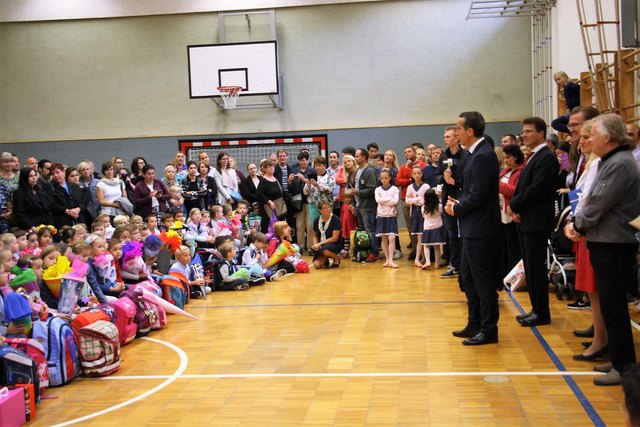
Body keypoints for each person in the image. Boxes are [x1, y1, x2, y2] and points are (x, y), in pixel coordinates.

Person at [567, 114, 640, 386]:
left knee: (615, 306)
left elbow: (598, 202)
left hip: (613, 243)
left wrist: (578, 223)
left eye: (593, 134)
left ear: (608, 137)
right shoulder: (612, 161)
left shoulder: (620, 164)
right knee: (611, 306)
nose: (588, 140)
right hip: (604, 240)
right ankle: (620, 360)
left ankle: (624, 368)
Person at [445, 111, 501, 346]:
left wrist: (457, 209)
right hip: (471, 227)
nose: (456, 133)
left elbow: (477, 195)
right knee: (467, 277)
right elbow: (470, 190)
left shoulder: (482, 156)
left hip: (480, 228)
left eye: (459, 128)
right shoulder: (473, 154)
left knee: (482, 280)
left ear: (469, 131)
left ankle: (489, 329)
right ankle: (475, 321)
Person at [508, 117, 560, 327]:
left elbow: (536, 189)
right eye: (524, 131)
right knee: (530, 266)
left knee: (536, 267)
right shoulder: (533, 157)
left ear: (541, 133)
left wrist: (515, 205)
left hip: (537, 219)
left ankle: (541, 312)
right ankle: (536, 308)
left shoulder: (546, 157)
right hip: (528, 218)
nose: (524, 134)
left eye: (529, 131)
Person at [564, 120, 608, 362]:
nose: (581, 142)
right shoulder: (589, 163)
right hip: (583, 229)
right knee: (592, 290)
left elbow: (592, 200)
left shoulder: (600, 165)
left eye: (586, 137)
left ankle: (602, 340)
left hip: (592, 230)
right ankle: (599, 334)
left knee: (597, 289)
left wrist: (577, 222)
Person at [438, 126, 468, 279]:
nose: (445, 139)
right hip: (447, 200)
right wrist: (444, 177)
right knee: (451, 234)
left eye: (448, 136)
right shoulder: (443, 156)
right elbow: (437, 177)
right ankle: (454, 265)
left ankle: (465, 265)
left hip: (462, 199)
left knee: (464, 234)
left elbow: (470, 179)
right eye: (444, 137)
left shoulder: (466, 156)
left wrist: (456, 181)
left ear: (457, 138)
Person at [498, 144, 525, 280]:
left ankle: (512, 276)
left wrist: (498, 185)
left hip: (512, 213)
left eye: (508, 157)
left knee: (513, 248)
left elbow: (515, 191)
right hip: (501, 211)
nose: (506, 160)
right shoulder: (505, 171)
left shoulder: (521, 171)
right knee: (503, 246)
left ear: (515, 157)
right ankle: (503, 274)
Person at [396, 146, 426, 260]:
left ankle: (427, 250)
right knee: (411, 227)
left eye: (409, 151)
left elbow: (420, 179)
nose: (407, 154)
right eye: (405, 152)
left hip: (420, 202)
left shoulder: (422, 166)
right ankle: (415, 250)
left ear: (415, 153)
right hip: (406, 200)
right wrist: (408, 180)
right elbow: (398, 181)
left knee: (423, 226)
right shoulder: (403, 167)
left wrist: (408, 179)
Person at [350, 148, 379, 263]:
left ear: (364, 157)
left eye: (357, 156)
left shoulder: (369, 171)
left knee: (370, 230)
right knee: (363, 231)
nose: (355, 158)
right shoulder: (358, 170)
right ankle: (364, 252)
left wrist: (357, 193)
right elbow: (355, 187)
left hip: (367, 206)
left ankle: (374, 254)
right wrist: (354, 203)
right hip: (359, 205)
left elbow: (371, 189)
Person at [304, 156, 335, 235]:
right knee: (315, 226)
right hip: (313, 205)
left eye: (319, 165)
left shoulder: (330, 177)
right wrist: (308, 186)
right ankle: (317, 244)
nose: (317, 167)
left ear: (324, 166)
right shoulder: (312, 177)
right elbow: (305, 192)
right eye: (316, 165)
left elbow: (330, 189)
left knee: (327, 225)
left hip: (326, 205)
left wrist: (317, 185)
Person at [374, 170, 399, 268]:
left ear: (390, 178)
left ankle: (391, 260)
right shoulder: (378, 189)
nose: (384, 180)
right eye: (382, 178)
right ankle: (387, 259)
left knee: (392, 237)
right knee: (384, 238)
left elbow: (395, 201)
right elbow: (377, 200)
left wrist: (384, 201)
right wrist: (389, 200)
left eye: (386, 178)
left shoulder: (394, 189)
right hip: (381, 215)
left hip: (391, 216)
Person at [405, 166, 429, 267]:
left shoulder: (426, 186)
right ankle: (417, 259)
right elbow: (407, 200)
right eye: (414, 173)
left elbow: (426, 200)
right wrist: (417, 199)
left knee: (423, 237)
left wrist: (416, 200)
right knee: (420, 237)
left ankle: (422, 258)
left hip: (424, 214)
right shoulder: (410, 187)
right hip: (415, 214)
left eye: (419, 173)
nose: (417, 175)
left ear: (422, 174)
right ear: (412, 175)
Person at [48, 163, 84, 229]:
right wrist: (67, 211)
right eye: (53, 174)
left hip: (78, 220)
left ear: (64, 172)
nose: (55, 175)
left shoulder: (75, 186)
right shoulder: (50, 188)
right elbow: (52, 205)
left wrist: (78, 209)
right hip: (62, 221)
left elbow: (82, 201)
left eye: (57, 172)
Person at [310, 201, 343, 269]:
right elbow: (315, 235)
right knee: (317, 265)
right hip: (322, 246)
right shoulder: (316, 220)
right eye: (325, 208)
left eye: (329, 207)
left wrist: (320, 244)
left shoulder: (335, 219)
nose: (328, 209)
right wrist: (315, 245)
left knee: (325, 249)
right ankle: (326, 259)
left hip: (335, 244)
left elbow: (335, 238)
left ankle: (336, 258)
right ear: (320, 210)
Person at [419, 189, 446, 270]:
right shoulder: (439, 207)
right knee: (436, 247)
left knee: (426, 246)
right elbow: (442, 214)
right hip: (437, 228)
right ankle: (437, 264)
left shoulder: (423, 207)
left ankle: (427, 261)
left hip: (427, 228)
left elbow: (423, 216)